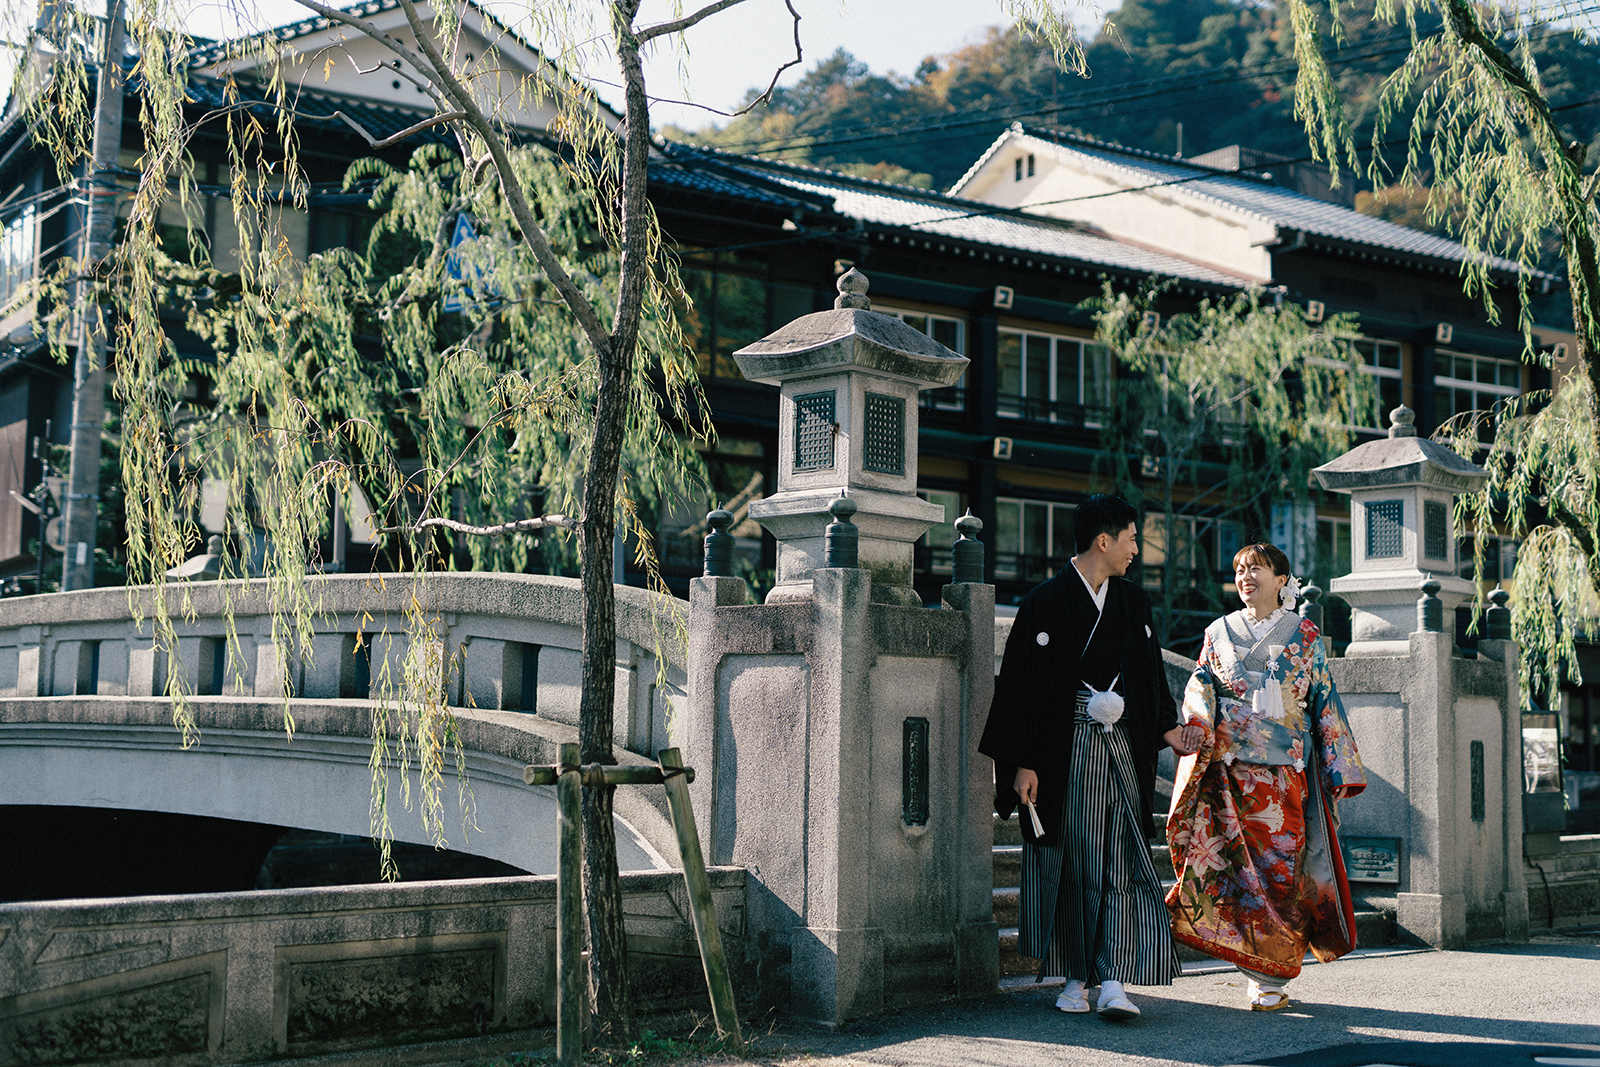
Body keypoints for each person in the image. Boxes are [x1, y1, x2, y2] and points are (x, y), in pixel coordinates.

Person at [979, 494, 1198, 1020]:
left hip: (1120, 748)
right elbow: (1019, 689)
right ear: (1104, 541)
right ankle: (1077, 976)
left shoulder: (1132, 602)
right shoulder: (1044, 602)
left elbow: (1149, 675)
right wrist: (1023, 762)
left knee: (1121, 858)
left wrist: (1167, 728)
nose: (1136, 549)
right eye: (1131, 538)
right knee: (1076, 861)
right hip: (1066, 751)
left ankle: (1115, 980)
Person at [1165, 542, 1367, 1012]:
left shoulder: (1305, 634)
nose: (1246, 576)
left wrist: (1338, 765)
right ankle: (1260, 974)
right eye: (1239, 569)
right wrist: (1198, 725)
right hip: (1229, 774)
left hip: (1283, 778)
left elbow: (1323, 698)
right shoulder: (1218, 632)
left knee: (1280, 874)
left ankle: (1273, 972)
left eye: (1257, 568)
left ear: (1282, 580)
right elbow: (1200, 685)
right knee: (1233, 872)